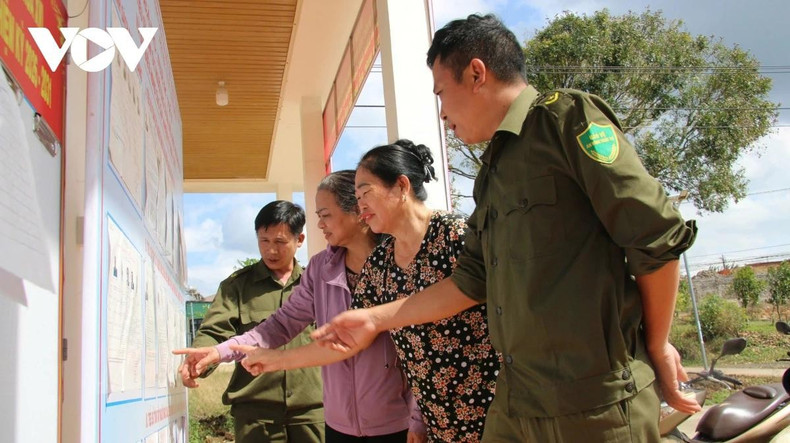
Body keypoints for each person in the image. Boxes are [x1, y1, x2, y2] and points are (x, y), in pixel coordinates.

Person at [311, 14, 701, 442]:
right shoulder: (491, 172)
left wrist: (659, 342)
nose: (442, 114)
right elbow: (469, 282)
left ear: (477, 73)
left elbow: (656, 237)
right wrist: (373, 318)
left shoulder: (565, 121)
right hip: (517, 401)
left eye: (443, 93)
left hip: (594, 403)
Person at [240, 140, 499, 442]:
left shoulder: (454, 235)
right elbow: (348, 341)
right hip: (438, 422)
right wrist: (276, 360)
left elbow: (492, 297)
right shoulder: (381, 262)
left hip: (492, 410)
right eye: (357, 196)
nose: (360, 205)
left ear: (401, 187)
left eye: (365, 193)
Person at [175, 171, 425, 443]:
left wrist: (419, 418)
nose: (320, 224)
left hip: (397, 425)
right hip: (338, 427)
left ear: (358, 210)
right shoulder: (320, 270)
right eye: (318, 215)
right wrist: (218, 351)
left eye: (325, 215)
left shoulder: (400, 262)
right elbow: (280, 325)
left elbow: (424, 347)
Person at [176, 200, 324, 443]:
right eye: (264, 241)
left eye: (279, 242)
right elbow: (214, 332)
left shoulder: (316, 284)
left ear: (299, 240)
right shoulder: (236, 286)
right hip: (256, 414)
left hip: (311, 410)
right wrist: (201, 359)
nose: (271, 250)